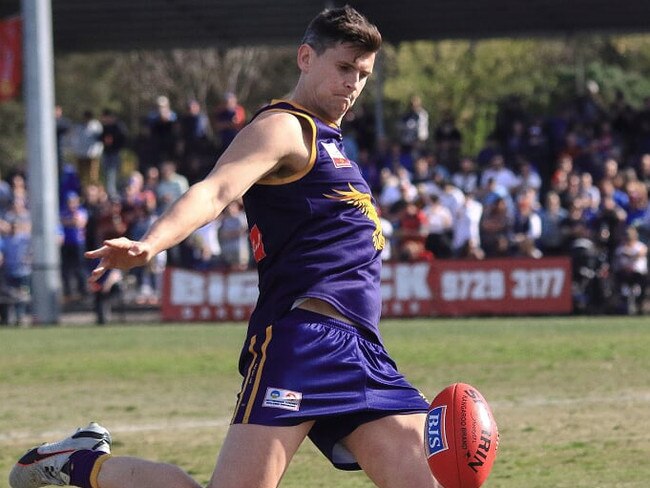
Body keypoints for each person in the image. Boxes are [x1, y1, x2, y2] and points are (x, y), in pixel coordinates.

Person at [9, 6, 440, 488]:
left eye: (363, 74)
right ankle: (77, 462)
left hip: (364, 350)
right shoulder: (283, 128)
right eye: (343, 68)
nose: (353, 84)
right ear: (305, 57)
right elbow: (214, 191)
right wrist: (151, 243)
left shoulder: (335, 143)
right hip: (304, 340)